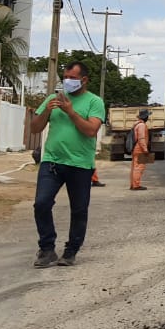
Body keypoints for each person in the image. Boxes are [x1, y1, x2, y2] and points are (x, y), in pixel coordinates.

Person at [28, 61, 106, 268]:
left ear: (84, 80)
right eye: (66, 77)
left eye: (72, 78)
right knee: (41, 204)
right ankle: (47, 248)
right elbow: (35, 128)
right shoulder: (53, 99)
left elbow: (90, 130)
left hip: (80, 164)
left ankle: (71, 251)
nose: (67, 82)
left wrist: (71, 112)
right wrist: (47, 111)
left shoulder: (94, 102)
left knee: (79, 210)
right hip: (52, 162)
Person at [130, 109, 151, 191]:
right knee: (139, 167)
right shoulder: (142, 125)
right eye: (147, 116)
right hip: (140, 149)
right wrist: (145, 150)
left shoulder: (137, 125)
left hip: (136, 148)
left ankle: (133, 184)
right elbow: (141, 138)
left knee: (135, 167)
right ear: (145, 117)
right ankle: (136, 185)